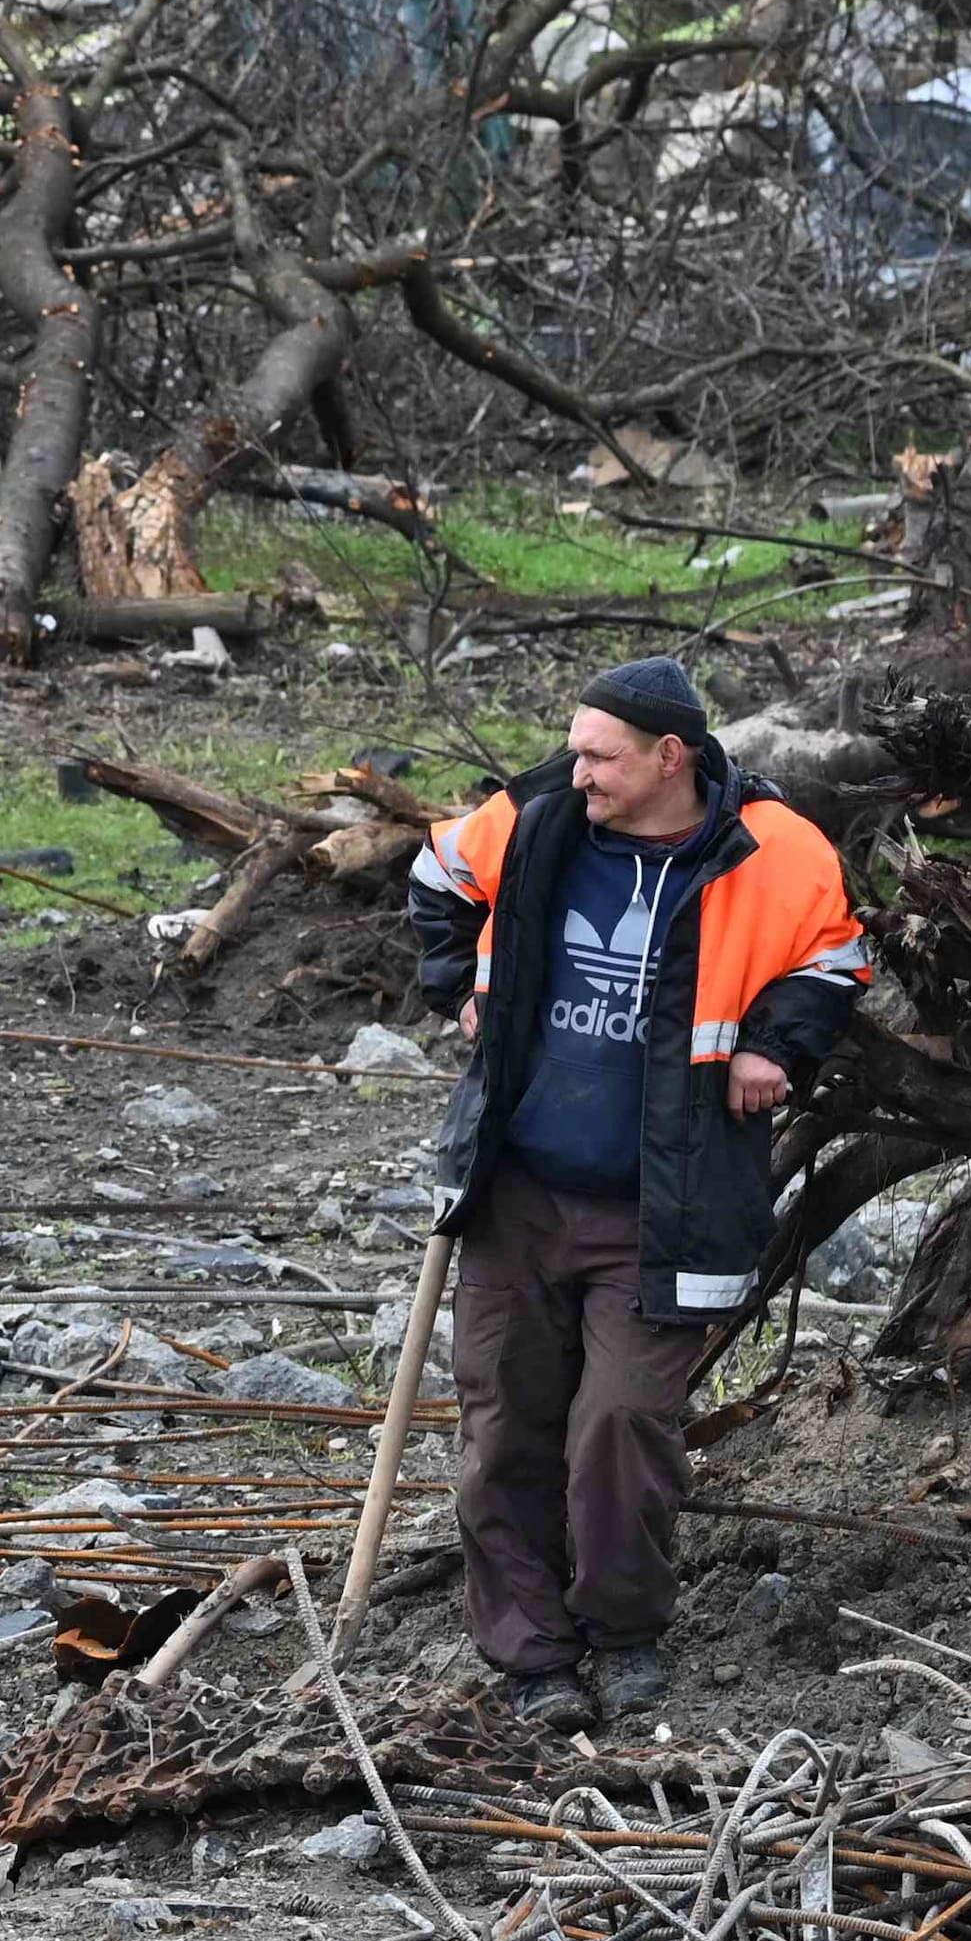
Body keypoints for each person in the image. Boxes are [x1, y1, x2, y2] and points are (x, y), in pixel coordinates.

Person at [402, 658, 867, 1728]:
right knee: (505, 1423)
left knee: (618, 1425)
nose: (577, 771)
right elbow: (434, 883)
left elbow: (836, 954)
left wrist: (775, 1044)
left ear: (670, 757)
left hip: (666, 1201)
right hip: (515, 1190)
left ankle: (621, 1637)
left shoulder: (775, 848)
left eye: (597, 755)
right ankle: (533, 1659)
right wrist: (457, 995)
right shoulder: (533, 815)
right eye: (572, 749)